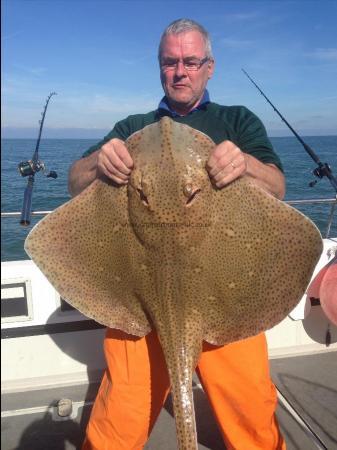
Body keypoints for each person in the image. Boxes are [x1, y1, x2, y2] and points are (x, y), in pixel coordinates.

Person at [69, 18, 286, 450]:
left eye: (190, 61)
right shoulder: (132, 127)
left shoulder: (238, 121)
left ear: (210, 67)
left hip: (226, 294)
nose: (179, 71)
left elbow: (278, 186)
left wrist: (245, 164)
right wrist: (99, 162)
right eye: (170, 62)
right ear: (159, 67)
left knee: (251, 415)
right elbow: (76, 181)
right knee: (118, 421)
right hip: (140, 296)